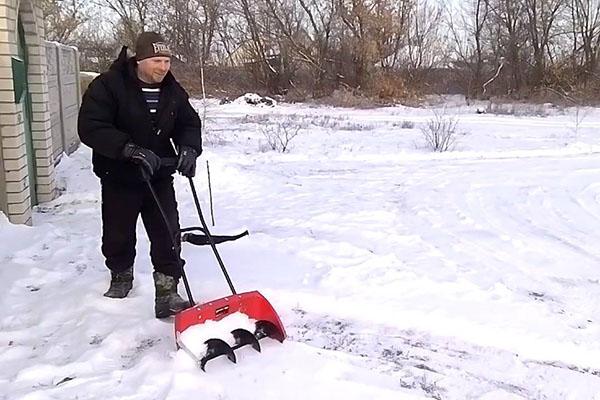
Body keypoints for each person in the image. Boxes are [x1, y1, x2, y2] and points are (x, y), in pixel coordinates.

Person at [77, 32, 202, 318]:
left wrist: (189, 148)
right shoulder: (109, 85)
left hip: (158, 175)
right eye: (157, 60)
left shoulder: (172, 90)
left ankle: (167, 290)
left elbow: (188, 122)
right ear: (140, 60)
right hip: (119, 174)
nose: (163, 67)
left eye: (167, 60)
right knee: (118, 231)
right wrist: (128, 149)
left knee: (167, 230)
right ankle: (121, 275)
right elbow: (90, 126)